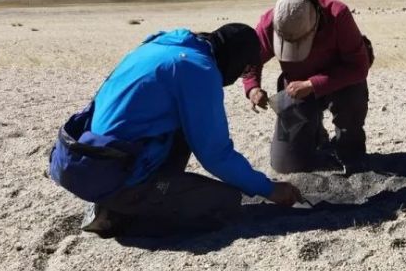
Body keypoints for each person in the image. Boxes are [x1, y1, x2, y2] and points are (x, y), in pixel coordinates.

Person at [48, 23, 302, 237]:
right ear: (235, 59)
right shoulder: (198, 70)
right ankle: (119, 210)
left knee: (184, 128)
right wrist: (269, 189)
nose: (240, 76)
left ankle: (125, 200)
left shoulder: (163, 46)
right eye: (244, 69)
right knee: (225, 202)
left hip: (85, 156)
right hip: (111, 171)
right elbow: (215, 155)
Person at [245, 0, 373, 174]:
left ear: (317, 21)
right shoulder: (270, 22)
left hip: (341, 83)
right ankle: (317, 135)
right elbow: (249, 62)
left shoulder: (338, 14)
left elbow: (359, 67)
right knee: (285, 164)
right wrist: (253, 88)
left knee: (353, 100)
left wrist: (312, 84)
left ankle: (349, 147)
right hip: (296, 89)